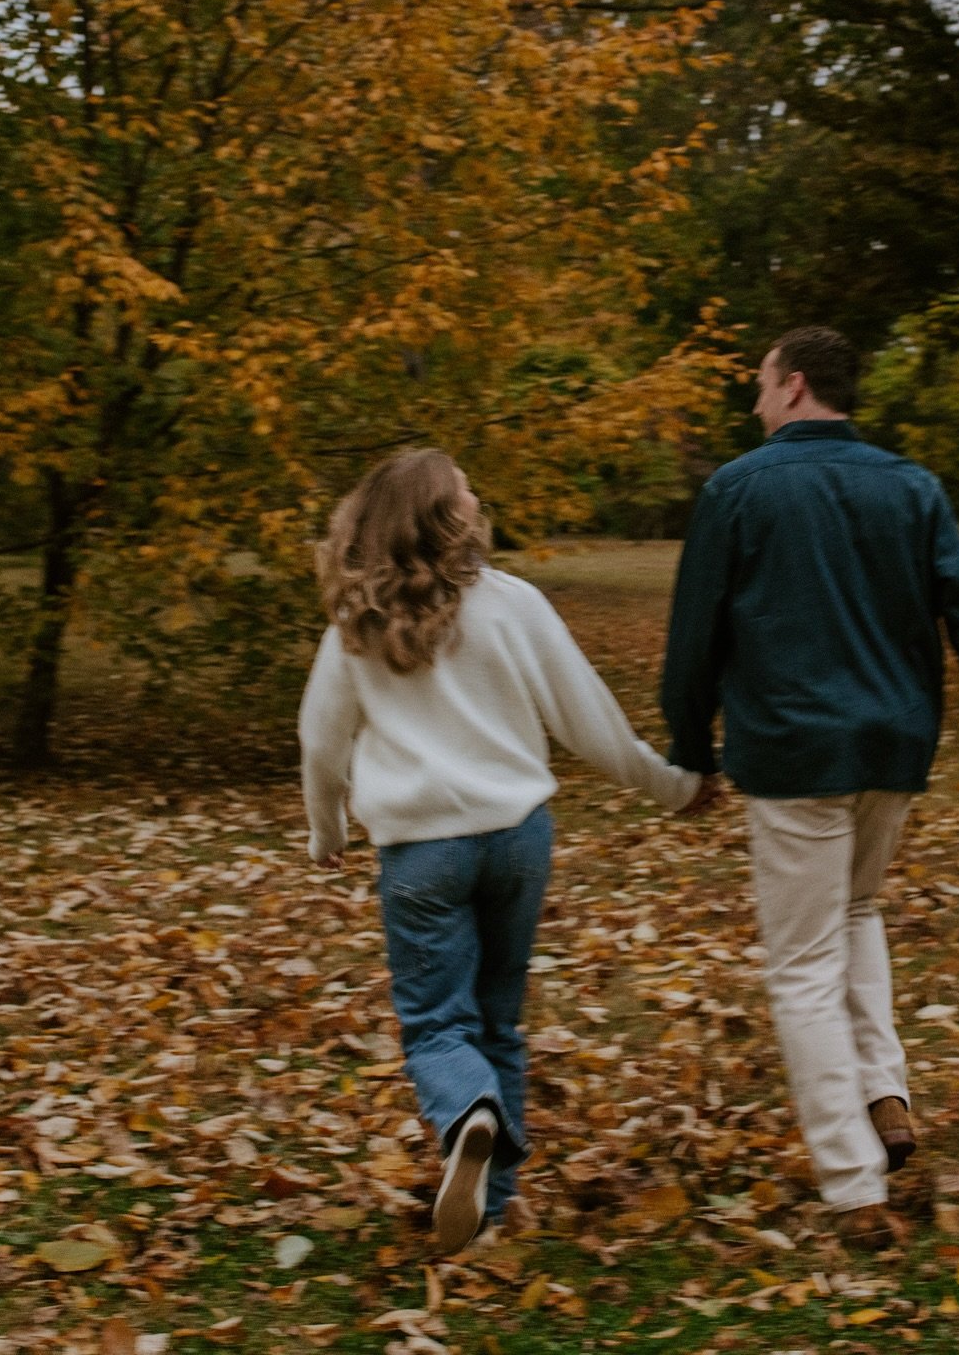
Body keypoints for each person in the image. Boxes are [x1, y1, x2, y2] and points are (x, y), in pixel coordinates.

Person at [661, 326, 959, 1249]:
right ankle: (884, 1095)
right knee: (859, 910)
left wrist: (690, 749)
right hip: (892, 747)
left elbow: (693, 638)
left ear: (793, 386)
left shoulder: (738, 489)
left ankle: (851, 1182)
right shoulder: (911, 488)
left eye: (760, 386)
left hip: (796, 753)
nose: (755, 404)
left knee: (799, 966)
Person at [299, 448, 707, 1255]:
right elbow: (588, 719)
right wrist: (675, 787)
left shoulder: (358, 620)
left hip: (421, 854)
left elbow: (320, 741)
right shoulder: (514, 603)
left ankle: (467, 1115)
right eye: (465, 489)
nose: (478, 495)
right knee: (500, 1022)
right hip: (517, 839)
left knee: (435, 1029)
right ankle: (491, 1210)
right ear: (449, 518)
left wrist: (327, 831)